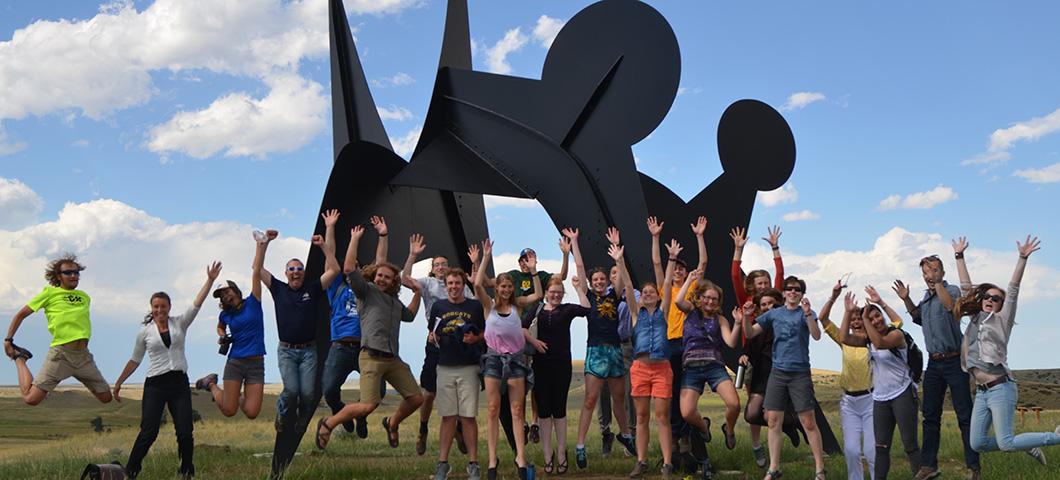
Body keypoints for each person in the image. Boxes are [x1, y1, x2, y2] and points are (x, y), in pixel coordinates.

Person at [314, 227, 424, 450]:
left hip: (393, 359)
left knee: (416, 399)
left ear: (394, 281)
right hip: (371, 356)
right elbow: (347, 268)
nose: (382, 279)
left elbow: (410, 316)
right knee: (367, 405)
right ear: (374, 277)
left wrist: (418, 293)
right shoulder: (366, 292)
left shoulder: (393, 301)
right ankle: (329, 423)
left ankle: (392, 423)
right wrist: (355, 239)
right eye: (379, 276)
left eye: (387, 277)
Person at [953, 236, 1059, 463]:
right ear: (982, 300)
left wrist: (1022, 258)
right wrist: (960, 256)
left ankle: (1055, 437)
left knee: (1006, 443)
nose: (992, 299)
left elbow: (1013, 290)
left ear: (1001, 305)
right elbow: (966, 288)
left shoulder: (1002, 321)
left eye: (997, 298)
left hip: (1001, 388)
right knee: (977, 443)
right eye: (988, 296)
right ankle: (1026, 444)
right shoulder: (974, 318)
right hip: (982, 392)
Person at [112, 262, 221, 479]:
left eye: (163, 306)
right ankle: (131, 470)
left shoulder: (180, 323)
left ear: (169, 307)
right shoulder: (144, 332)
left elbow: (196, 304)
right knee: (149, 431)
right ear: (151, 309)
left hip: (179, 383)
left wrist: (209, 280)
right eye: (156, 307)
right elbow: (135, 359)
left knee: (185, 431)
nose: (159, 310)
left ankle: (186, 471)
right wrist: (119, 382)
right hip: (156, 384)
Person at [895, 255, 980, 480]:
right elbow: (918, 318)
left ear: (942, 272)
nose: (928, 276)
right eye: (925, 273)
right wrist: (906, 299)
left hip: (954, 361)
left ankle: (973, 467)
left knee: (965, 415)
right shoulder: (927, 298)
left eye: (933, 271)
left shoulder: (951, 291)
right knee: (930, 416)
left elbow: (950, 307)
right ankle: (929, 466)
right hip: (934, 363)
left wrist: (938, 284)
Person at [258, 220, 341, 437]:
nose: (295, 272)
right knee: (292, 390)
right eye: (291, 269)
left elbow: (334, 269)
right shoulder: (278, 289)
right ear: (286, 273)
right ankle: (282, 413)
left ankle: (301, 419)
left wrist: (323, 245)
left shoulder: (313, 288)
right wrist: (264, 243)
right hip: (286, 350)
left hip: (308, 351)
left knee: (307, 394)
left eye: (299, 268)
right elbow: (257, 270)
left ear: (303, 272)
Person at [741, 275, 827, 480]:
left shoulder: (806, 313)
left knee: (808, 422)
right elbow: (751, 333)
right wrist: (745, 317)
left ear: (802, 293)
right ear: (784, 292)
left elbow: (816, 335)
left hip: (799, 373)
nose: (793, 292)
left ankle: (820, 470)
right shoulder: (774, 314)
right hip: (777, 373)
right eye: (789, 288)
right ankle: (774, 468)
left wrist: (807, 315)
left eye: (797, 289)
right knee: (773, 421)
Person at [565, 227, 636, 469]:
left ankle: (626, 435)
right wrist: (575, 242)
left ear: (607, 282)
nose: (598, 282)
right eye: (595, 280)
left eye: (602, 280)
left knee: (619, 397)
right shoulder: (588, 296)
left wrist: (619, 258)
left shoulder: (614, 296)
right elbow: (580, 270)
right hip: (595, 351)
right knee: (590, 399)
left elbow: (624, 281)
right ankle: (581, 446)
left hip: (614, 350)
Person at [402, 232, 478, 456]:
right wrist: (412, 255)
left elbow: (475, 303)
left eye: (444, 264)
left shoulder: (458, 285)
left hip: (459, 345)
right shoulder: (427, 284)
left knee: (455, 394)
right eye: (437, 265)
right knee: (429, 393)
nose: (441, 267)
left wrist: (475, 266)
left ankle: (457, 430)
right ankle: (423, 429)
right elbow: (405, 278)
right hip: (436, 343)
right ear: (432, 268)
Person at [474, 238, 542, 480]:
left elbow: (538, 294)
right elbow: (477, 285)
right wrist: (484, 258)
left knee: (517, 410)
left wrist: (533, 270)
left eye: (509, 286)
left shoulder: (519, 306)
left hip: (515, 361)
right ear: (497, 288)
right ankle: (492, 460)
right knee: (492, 409)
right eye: (502, 286)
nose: (505, 289)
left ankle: (520, 458)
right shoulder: (488, 306)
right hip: (493, 360)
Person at [4, 254, 113, 405]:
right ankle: (20, 358)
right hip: (61, 356)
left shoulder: (85, 297)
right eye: (68, 272)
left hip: (83, 357)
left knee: (106, 398)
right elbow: (21, 315)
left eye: (76, 272)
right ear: (58, 276)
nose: (73, 275)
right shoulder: (49, 293)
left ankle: (78, 376)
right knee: (31, 399)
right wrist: (8, 340)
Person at [840, 287, 922, 480]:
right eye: (872, 318)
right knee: (881, 447)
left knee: (909, 444)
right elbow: (844, 338)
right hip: (880, 398)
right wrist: (848, 312)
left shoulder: (896, 335)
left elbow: (881, 343)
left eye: (878, 317)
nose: (876, 321)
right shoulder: (866, 340)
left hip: (902, 393)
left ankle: (922, 474)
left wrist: (872, 311)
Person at [320, 213, 389, 438]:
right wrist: (330, 228)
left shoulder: (370, 290)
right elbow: (329, 259)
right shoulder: (336, 288)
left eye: (356, 267)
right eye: (349, 268)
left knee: (377, 391)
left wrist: (383, 235)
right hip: (340, 347)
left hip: (364, 348)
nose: (352, 270)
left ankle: (360, 415)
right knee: (329, 390)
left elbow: (380, 263)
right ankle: (343, 413)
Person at [652, 216, 709, 473]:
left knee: (686, 392)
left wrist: (699, 236)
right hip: (669, 344)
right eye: (674, 269)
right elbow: (656, 263)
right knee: (671, 391)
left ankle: (686, 436)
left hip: (688, 345)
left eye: (681, 269)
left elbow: (704, 263)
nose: (677, 272)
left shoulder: (691, 288)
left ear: (686, 273)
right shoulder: (665, 289)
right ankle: (675, 437)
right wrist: (657, 240)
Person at [195, 233, 267, 419]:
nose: (225, 296)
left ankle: (234, 396)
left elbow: (256, 271)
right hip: (236, 361)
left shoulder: (254, 301)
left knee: (251, 412)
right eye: (221, 295)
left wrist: (260, 245)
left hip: (256, 363)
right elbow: (220, 326)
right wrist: (222, 334)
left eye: (226, 291)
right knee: (229, 410)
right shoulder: (225, 315)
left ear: (234, 289)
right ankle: (211, 383)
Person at [729, 225, 785, 467]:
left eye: (766, 282)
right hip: (750, 356)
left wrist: (775, 247)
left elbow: (781, 273)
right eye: (759, 283)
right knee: (753, 400)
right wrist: (738, 249)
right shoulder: (747, 301)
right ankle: (756, 445)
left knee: (776, 401)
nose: (763, 286)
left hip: (775, 355)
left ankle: (782, 429)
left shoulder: (775, 301)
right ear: (752, 285)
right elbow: (734, 276)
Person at [675, 268, 741, 466]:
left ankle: (728, 429)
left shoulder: (720, 319)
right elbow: (678, 301)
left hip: (714, 366)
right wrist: (689, 280)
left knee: (734, 404)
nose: (710, 302)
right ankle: (704, 426)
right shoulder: (691, 312)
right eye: (707, 298)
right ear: (700, 298)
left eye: (714, 299)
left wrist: (737, 323)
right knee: (687, 412)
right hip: (692, 368)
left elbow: (730, 342)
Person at [525, 275, 590, 474]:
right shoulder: (537, 309)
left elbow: (587, 309)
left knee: (559, 410)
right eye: (552, 292)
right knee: (544, 411)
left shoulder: (567, 309)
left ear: (563, 294)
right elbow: (522, 329)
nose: (555, 295)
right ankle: (547, 455)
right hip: (541, 365)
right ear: (546, 293)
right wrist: (535, 343)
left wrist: (579, 289)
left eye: (559, 293)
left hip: (562, 365)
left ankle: (562, 453)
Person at [622, 239, 676, 479]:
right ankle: (641, 461)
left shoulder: (664, 311)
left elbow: (665, 280)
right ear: (640, 297)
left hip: (662, 369)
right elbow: (627, 282)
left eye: (652, 292)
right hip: (640, 369)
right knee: (641, 417)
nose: (648, 295)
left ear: (658, 295)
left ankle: (667, 464)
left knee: (662, 417)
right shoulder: (635, 314)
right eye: (644, 293)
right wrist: (619, 259)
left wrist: (672, 259)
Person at [429, 268, 486, 480]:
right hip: (444, 365)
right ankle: (442, 464)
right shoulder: (438, 306)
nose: (454, 287)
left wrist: (475, 339)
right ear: (446, 285)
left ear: (464, 285)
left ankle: (473, 464)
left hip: (469, 366)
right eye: (450, 283)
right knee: (448, 417)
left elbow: (483, 332)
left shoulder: (474, 306)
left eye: (457, 283)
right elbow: (432, 332)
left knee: (468, 417)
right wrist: (431, 338)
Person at [819, 281, 878, 480]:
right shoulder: (846, 340)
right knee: (852, 450)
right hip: (849, 402)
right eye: (852, 319)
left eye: (858, 318)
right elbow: (823, 318)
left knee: (871, 450)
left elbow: (897, 325)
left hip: (870, 400)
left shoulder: (875, 341)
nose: (855, 322)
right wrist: (835, 297)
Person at [598, 229, 639, 458]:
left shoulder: (634, 295)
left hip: (627, 346)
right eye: (611, 273)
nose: (615, 275)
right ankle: (606, 433)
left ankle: (630, 436)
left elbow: (639, 310)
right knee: (602, 392)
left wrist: (619, 260)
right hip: (604, 347)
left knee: (628, 392)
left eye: (617, 272)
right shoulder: (603, 297)